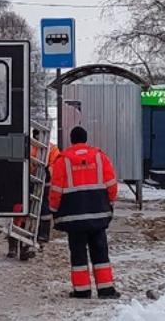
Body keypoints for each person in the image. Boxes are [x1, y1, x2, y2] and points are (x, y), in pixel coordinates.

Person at [46, 126, 119, 299]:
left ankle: (82, 291)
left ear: (71, 140)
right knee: (100, 251)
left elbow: (56, 189)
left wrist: (53, 209)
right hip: (98, 215)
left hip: (74, 218)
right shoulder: (100, 156)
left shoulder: (63, 160)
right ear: (86, 139)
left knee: (78, 253)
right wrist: (109, 202)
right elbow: (111, 184)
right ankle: (106, 289)